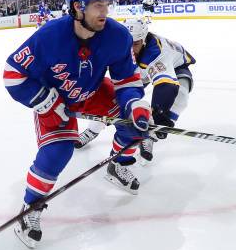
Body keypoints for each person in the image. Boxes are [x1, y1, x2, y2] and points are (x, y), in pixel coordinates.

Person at [4, 0, 151, 249]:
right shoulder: (49, 37)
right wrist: (45, 102)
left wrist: (135, 105)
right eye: (98, 5)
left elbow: (127, 81)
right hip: (55, 100)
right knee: (59, 151)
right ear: (77, 6)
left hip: (93, 91)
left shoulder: (118, 36)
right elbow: (13, 75)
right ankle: (29, 209)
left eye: (107, 4)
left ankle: (118, 165)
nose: (105, 11)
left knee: (132, 125)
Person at [76, 17, 195, 164]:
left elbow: (166, 86)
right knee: (114, 98)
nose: (131, 49)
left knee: (181, 97)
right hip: (142, 67)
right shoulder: (119, 44)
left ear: (144, 40)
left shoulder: (157, 53)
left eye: (136, 44)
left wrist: (159, 114)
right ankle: (93, 129)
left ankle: (151, 135)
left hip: (176, 67)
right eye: (128, 44)